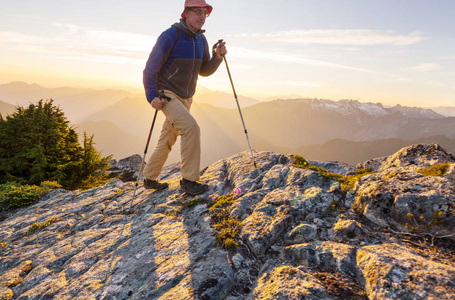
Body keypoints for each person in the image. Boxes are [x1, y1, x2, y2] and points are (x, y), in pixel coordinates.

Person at [142, 0, 227, 195]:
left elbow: (204, 71)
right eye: (197, 12)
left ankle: (149, 176)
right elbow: (150, 69)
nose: (201, 17)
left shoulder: (201, 40)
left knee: (168, 136)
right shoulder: (171, 35)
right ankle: (189, 180)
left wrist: (217, 57)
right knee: (191, 128)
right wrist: (151, 96)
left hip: (187, 97)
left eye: (204, 13)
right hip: (168, 95)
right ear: (185, 13)